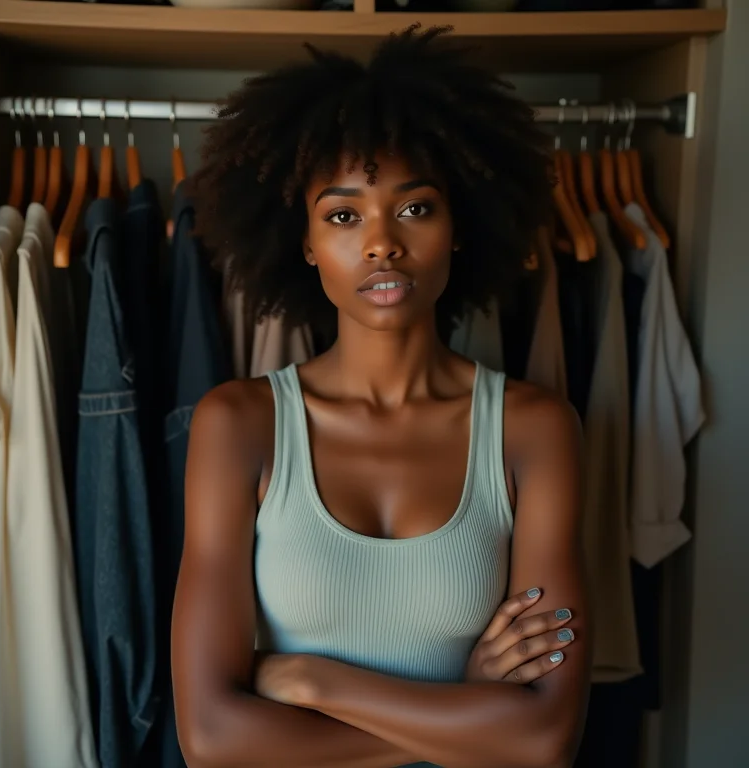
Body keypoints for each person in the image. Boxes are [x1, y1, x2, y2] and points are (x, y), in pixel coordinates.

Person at [172, 24, 590, 768]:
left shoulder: (533, 429)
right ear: (305, 243)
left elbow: (544, 739)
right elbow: (210, 737)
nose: (382, 243)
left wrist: (312, 681)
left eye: (416, 208)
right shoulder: (240, 425)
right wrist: (465, 708)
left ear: (458, 227)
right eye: (343, 215)